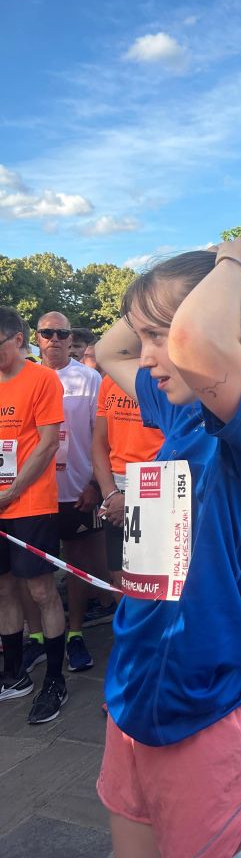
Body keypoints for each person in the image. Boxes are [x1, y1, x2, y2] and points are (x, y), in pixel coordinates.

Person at [94, 239, 241, 857]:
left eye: (161, 334)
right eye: (145, 334)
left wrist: (238, 264)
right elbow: (109, 351)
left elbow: (197, 344)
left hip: (212, 711)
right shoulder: (181, 412)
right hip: (134, 692)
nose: (147, 356)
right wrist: (152, 296)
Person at [24, 312, 106, 675]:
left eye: (62, 333)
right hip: (31, 492)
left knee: (77, 565)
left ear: (71, 338)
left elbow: (101, 438)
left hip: (75, 490)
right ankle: (37, 638)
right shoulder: (23, 376)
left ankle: (75, 633)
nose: (55, 339)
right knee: (30, 570)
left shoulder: (88, 379)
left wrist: (95, 484)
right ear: (36, 337)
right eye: (47, 332)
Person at [0, 306, 67, 723]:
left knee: (41, 591)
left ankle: (55, 681)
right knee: (4, 589)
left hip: (30, 503)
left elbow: (48, 443)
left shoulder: (42, 379)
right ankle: (14, 674)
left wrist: (11, 493)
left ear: (17, 340)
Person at [91, 373, 164, 592]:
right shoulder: (110, 379)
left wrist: (134, 501)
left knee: (154, 579)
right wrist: (110, 494)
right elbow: (99, 443)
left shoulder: (165, 377)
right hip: (116, 490)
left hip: (157, 488)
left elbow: (178, 444)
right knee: (119, 576)